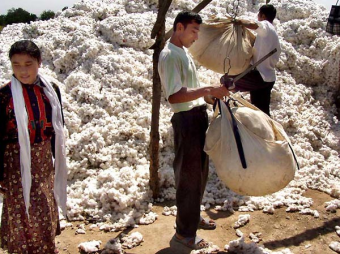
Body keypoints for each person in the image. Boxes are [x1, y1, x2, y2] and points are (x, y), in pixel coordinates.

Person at [158, 11, 230, 250]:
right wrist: (206, 89)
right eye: (193, 31)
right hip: (186, 122)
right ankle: (184, 234)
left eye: (198, 31)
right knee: (188, 179)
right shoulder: (169, 55)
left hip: (197, 119)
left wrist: (211, 96)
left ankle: (192, 219)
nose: (196, 37)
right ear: (179, 28)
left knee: (199, 175)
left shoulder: (183, 54)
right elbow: (175, 95)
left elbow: (191, 91)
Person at [0, 40, 68, 254]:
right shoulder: (4, 95)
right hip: (14, 163)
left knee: (44, 206)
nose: (22, 70)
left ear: (39, 62)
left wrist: (57, 159)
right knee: (20, 210)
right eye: (16, 64)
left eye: (28, 63)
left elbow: (58, 125)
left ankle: (46, 248)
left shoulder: (51, 90)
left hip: (42, 159)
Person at [225, 4, 281, 116]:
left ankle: (223, 104)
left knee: (227, 80)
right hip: (268, 79)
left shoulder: (266, 26)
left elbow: (253, 25)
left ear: (263, 16)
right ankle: (267, 131)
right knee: (261, 112)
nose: (257, 17)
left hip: (260, 77)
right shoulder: (272, 34)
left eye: (258, 15)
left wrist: (238, 22)